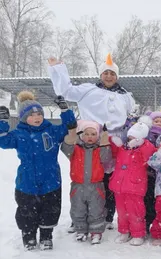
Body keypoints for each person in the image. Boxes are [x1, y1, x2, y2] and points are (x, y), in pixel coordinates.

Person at [48, 53, 136, 230]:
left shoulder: (125, 96)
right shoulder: (89, 89)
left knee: (111, 181)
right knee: (87, 179)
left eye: (112, 73)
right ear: (100, 75)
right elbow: (65, 91)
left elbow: (131, 116)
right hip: (89, 140)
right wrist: (58, 69)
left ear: (117, 76)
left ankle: (107, 216)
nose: (109, 76)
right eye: (106, 73)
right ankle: (80, 218)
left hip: (114, 142)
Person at [0, 91, 76, 250]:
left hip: (50, 180)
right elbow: (3, 141)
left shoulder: (52, 131)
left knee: (50, 210)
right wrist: (3, 121)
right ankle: (29, 237)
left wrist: (65, 110)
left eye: (39, 113)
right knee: (27, 211)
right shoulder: (19, 134)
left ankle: (46, 236)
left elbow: (70, 127)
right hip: (27, 182)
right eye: (31, 114)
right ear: (23, 117)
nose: (37, 117)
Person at [61, 120, 112, 244]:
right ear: (81, 135)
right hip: (78, 186)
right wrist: (71, 134)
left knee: (97, 209)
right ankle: (81, 230)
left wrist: (105, 140)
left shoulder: (99, 149)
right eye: (87, 134)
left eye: (93, 134)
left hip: (96, 186)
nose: (90, 137)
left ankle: (96, 232)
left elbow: (106, 157)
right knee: (78, 209)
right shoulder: (75, 148)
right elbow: (65, 148)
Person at [109, 121, 156, 246]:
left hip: (135, 187)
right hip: (119, 186)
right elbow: (112, 150)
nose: (131, 140)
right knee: (122, 212)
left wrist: (142, 144)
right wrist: (113, 138)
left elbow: (150, 154)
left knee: (135, 211)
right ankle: (124, 232)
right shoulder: (122, 149)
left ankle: (138, 233)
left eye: (135, 138)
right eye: (130, 137)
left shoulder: (144, 149)